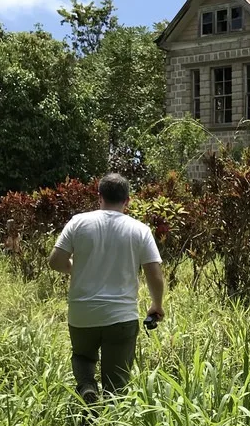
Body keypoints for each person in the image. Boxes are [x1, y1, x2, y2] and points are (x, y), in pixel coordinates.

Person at [48, 172, 165, 402]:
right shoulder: (139, 229)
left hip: (82, 313)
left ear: (99, 195)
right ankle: (111, 423)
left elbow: (55, 261)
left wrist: (75, 268)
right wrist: (156, 304)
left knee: (82, 357)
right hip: (121, 317)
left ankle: (87, 386)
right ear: (128, 201)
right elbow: (154, 274)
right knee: (117, 383)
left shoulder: (79, 222)